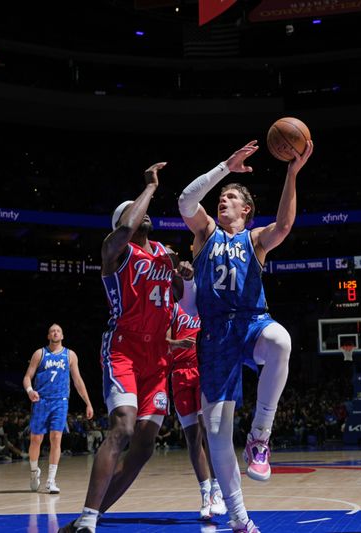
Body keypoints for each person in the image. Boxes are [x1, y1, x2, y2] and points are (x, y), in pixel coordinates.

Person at [177, 139, 313, 533]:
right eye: (221, 196)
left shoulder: (254, 240)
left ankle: (260, 436)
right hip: (215, 335)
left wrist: (291, 172)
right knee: (217, 433)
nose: (223, 199)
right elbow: (187, 201)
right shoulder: (204, 234)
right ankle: (238, 518)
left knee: (282, 341)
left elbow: (285, 225)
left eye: (231, 196)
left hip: (252, 321)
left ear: (246, 210)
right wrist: (225, 168)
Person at [61, 162, 175, 533]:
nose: (142, 216)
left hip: (158, 356)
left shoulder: (163, 251)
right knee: (122, 428)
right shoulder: (115, 252)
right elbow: (127, 226)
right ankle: (88, 521)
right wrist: (150, 187)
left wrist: (182, 273)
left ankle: (89, 517)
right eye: (133, 211)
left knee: (143, 446)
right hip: (123, 348)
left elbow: (181, 298)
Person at [167, 261, 226, 520]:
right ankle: (204, 491)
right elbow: (163, 343)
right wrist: (177, 342)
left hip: (203, 370)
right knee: (192, 437)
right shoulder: (170, 308)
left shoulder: (204, 303)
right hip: (179, 374)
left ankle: (217, 489)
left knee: (208, 429)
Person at [24, 323, 94, 494]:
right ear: (48, 336)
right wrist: (30, 390)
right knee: (36, 440)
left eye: (58, 331)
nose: (55, 333)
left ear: (62, 336)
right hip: (41, 401)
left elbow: (77, 381)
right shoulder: (40, 354)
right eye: (52, 331)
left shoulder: (70, 355)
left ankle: (51, 480)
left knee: (56, 438)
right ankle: (34, 472)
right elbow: (27, 377)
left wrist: (88, 402)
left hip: (60, 401)